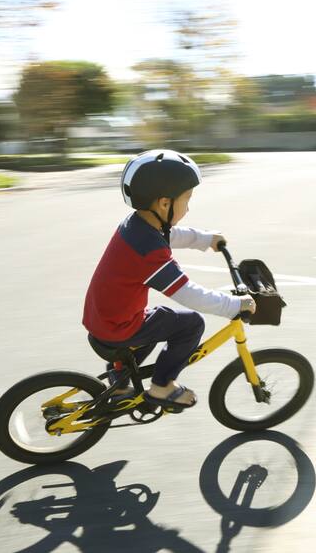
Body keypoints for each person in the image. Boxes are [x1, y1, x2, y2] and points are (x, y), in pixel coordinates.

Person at [82, 149, 255, 409]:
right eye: (187, 199)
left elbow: (169, 235)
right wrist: (233, 305)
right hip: (118, 327)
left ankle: (120, 377)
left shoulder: (136, 226)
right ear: (165, 203)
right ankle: (162, 386)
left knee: (158, 320)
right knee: (191, 324)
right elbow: (187, 293)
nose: (188, 206)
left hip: (103, 319)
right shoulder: (149, 252)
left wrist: (205, 239)